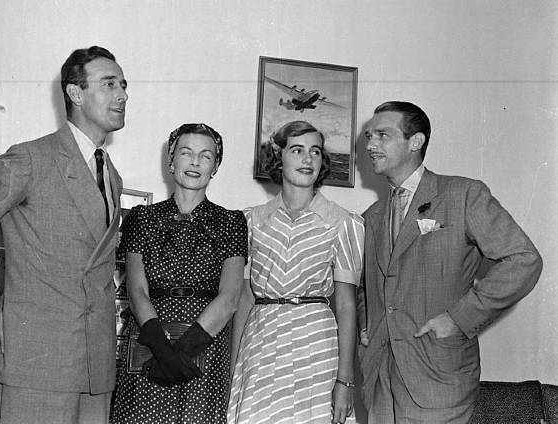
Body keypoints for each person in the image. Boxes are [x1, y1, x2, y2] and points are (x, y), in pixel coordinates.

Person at [0, 45, 128, 424]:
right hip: (36, 362)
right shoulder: (31, 159)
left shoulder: (110, 175)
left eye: (123, 85)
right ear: (75, 93)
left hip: (95, 369)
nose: (122, 94)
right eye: (109, 83)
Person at [358, 101, 543, 423]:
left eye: (382, 135)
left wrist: (458, 319)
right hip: (381, 380)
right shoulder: (371, 217)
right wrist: (366, 324)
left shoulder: (463, 194)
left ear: (415, 142)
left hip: (438, 376)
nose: (370, 145)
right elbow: (365, 287)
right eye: (369, 136)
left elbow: (523, 260)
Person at [228, 121, 364, 424]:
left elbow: (345, 305)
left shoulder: (345, 222)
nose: (307, 159)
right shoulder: (251, 221)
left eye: (315, 152)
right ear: (280, 157)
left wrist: (345, 381)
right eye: (298, 150)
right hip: (261, 342)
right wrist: (235, 369)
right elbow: (244, 300)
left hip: (316, 347)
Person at [110, 123, 247, 424]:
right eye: (186, 153)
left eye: (206, 156)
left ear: (216, 167)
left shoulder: (232, 222)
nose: (195, 161)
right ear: (171, 162)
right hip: (149, 342)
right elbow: (136, 290)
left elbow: (230, 297)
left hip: (205, 344)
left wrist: (182, 352)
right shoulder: (141, 218)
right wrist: (162, 350)